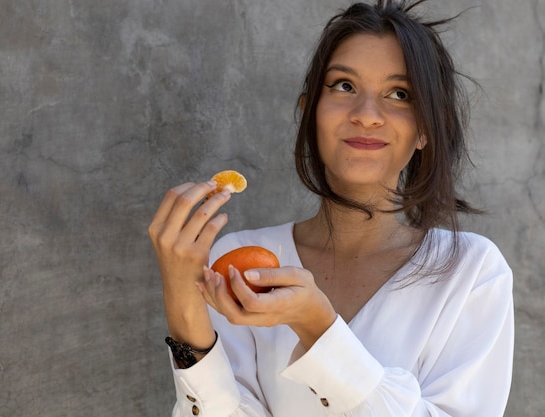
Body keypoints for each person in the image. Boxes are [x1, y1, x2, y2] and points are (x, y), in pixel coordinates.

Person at [148, 0, 514, 416]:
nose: (366, 115)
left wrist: (317, 326)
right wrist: (182, 298)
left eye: (399, 93)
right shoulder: (237, 263)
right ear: (309, 112)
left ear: (425, 130)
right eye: (344, 85)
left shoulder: (471, 273)